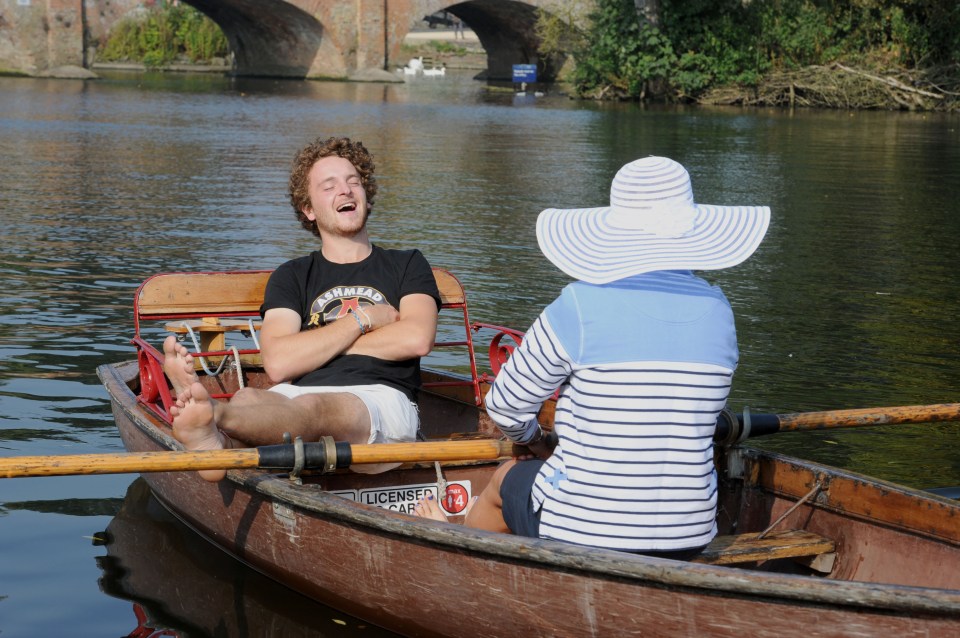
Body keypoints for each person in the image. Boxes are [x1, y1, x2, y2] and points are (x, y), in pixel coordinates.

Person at [415, 156, 769, 559]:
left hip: (586, 532)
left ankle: (455, 554)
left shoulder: (581, 305)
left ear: (616, 231)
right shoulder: (720, 309)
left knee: (505, 480)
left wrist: (535, 442)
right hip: (690, 533)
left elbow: (505, 405)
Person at [164, 136, 441, 481]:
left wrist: (314, 346)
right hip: (295, 396)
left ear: (366, 196)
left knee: (314, 409)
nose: (346, 190)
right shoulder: (291, 276)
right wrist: (364, 319)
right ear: (308, 209)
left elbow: (416, 338)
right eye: (330, 186)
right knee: (250, 397)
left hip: (380, 400)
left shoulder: (407, 264)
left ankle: (213, 417)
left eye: (354, 181)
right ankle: (215, 441)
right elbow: (279, 364)